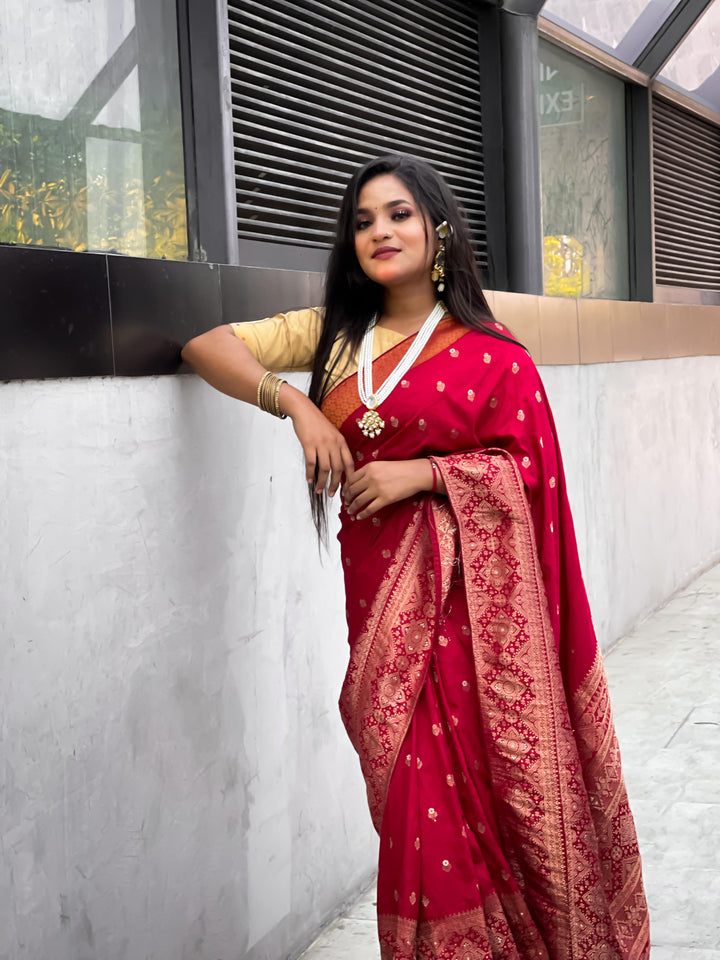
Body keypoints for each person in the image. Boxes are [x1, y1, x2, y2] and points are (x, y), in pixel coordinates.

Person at [182, 154, 650, 960]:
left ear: (437, 232)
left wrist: (425, 474)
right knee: (416, 813)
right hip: (385, 632)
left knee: (493, 810)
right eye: (362, 221)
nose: (379, 232)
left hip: (479, 644)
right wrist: (295, 402)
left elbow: (531, 477)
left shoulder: (496, 356)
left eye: (398, 215)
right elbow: (206, 343)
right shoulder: (332, 336)